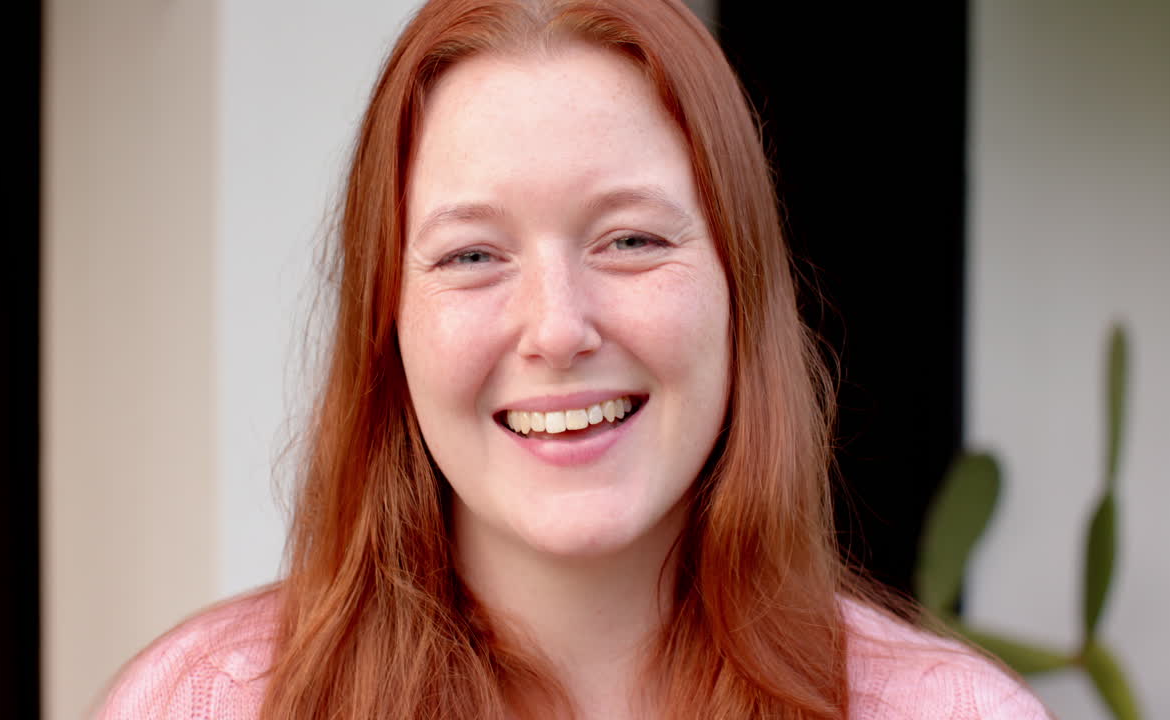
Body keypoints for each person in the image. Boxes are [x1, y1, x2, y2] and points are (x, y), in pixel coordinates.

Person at [98, 1, 1052, 718]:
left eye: (630, 240)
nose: (558, 330)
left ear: (741, 290)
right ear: (387, 325)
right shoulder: (202, 704)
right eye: (473, 256)